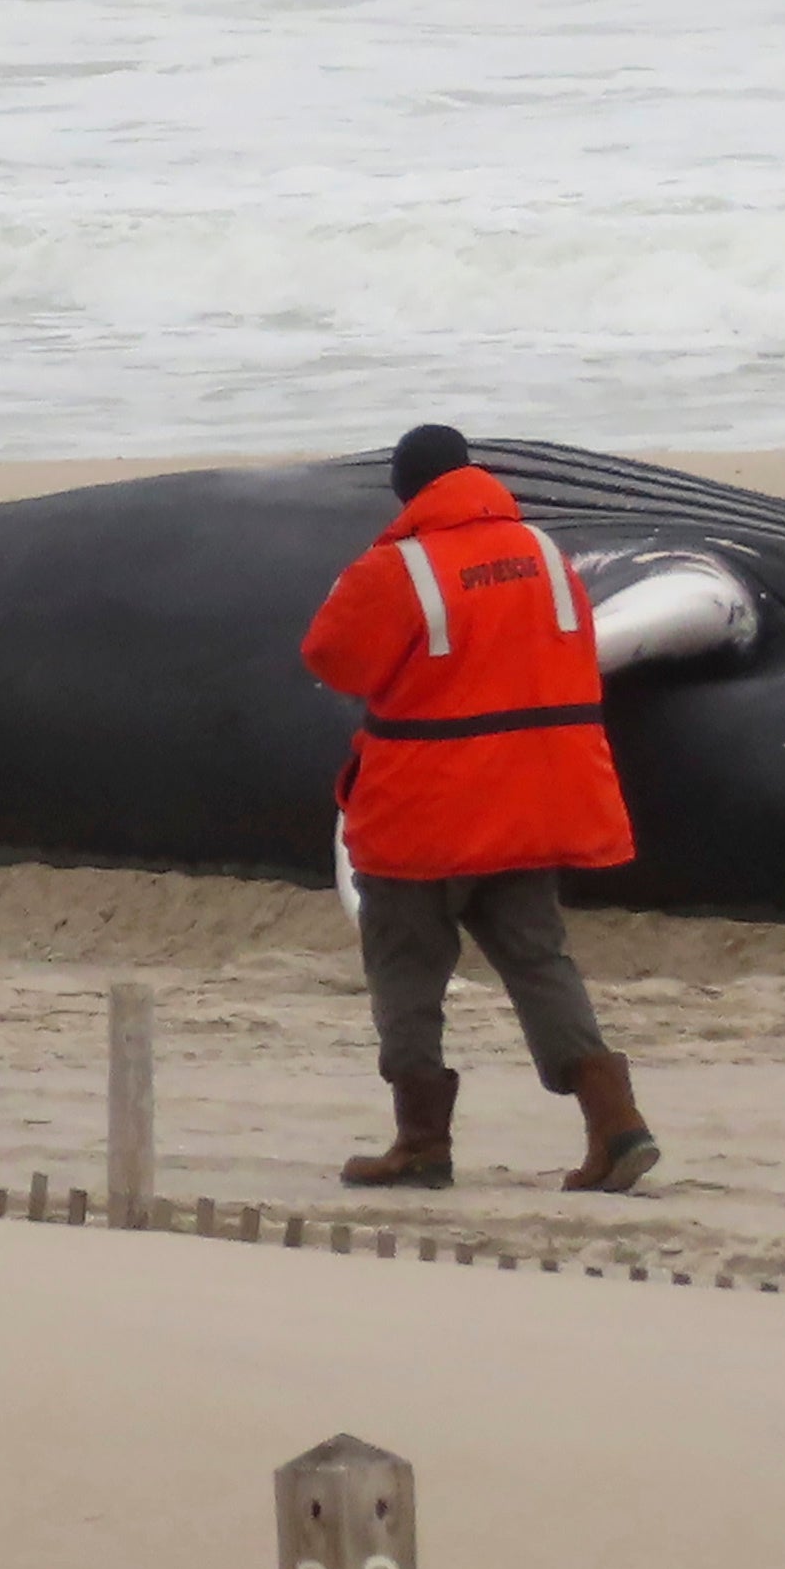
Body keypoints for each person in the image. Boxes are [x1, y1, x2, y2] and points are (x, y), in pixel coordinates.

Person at [296, 425, 658, 1193]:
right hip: (534, 799)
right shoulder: (547, 557)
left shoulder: (400, 568)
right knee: (538, 960)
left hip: (426, 808)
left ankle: (421, 1141)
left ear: (406, 492)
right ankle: (615, 1123)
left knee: (407, 970)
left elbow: (331, 657)